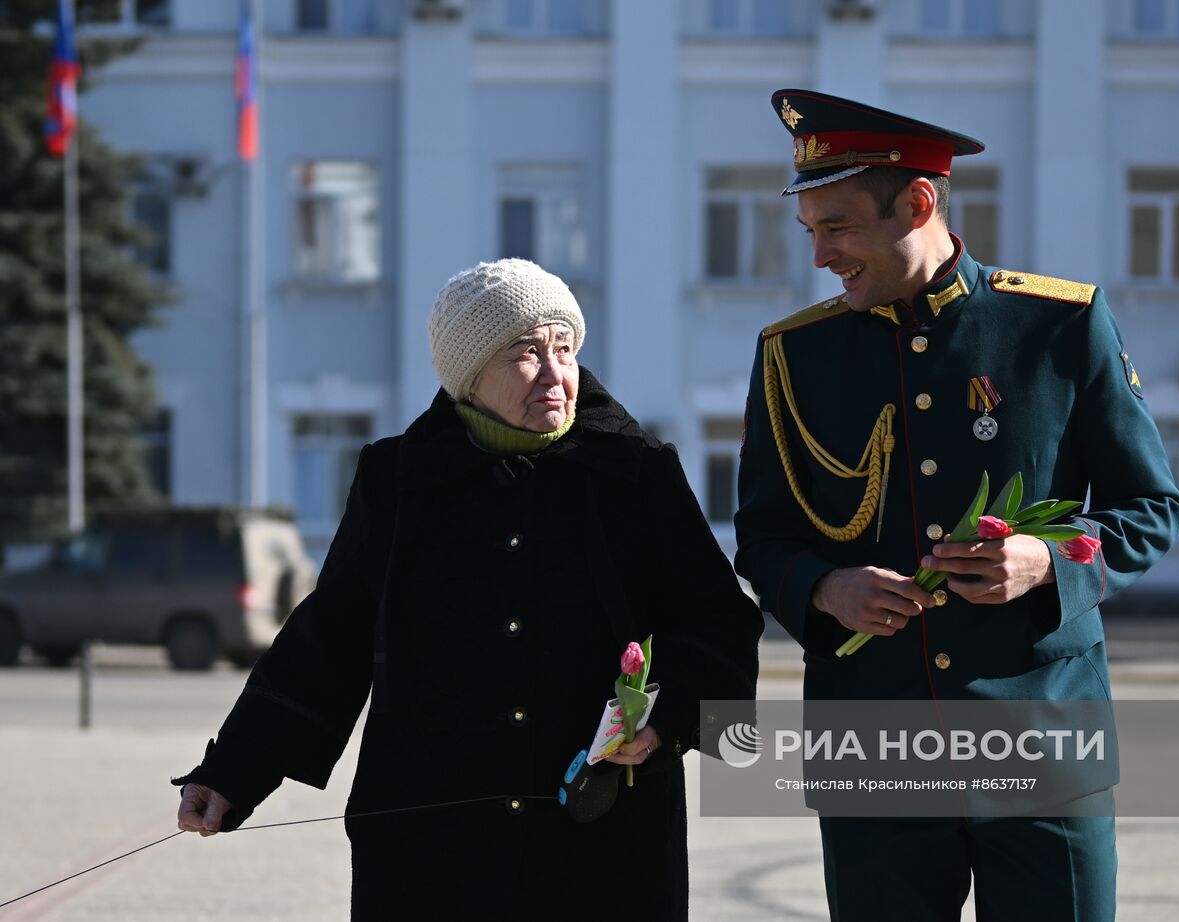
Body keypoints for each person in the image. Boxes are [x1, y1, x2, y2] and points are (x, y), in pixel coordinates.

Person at [175, 258, 763, 920]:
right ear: (469, 376)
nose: (554, 372)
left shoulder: (636, 475)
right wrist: (233, 772)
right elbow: (329, 639)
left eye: (564, 349)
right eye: (525, 353)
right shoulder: (398, 480)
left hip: (603, 845)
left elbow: (718, 623)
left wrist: (660, 724)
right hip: (432, 854)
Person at [734, 89, 1179, 921]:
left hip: (1042, 741)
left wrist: (1048, 560)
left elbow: (1150, 505)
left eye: (837, 228)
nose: (821, 256)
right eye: (811, 232)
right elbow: (763, 536)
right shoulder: (793, 356)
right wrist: (825, 590)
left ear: (918, 201)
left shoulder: (1059, 325)